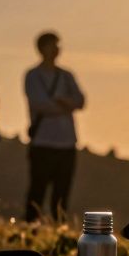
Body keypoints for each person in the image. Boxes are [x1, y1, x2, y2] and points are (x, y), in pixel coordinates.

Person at [22, 31, 85, 222]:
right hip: (42, 142)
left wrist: (61, 102)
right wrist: (66, 105)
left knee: (62, 190)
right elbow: (39, 104)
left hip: (67, 143)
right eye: (52, 45)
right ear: (42, 48)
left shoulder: (66, 75)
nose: (56, 49)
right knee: (38, 188)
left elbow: (81, 101)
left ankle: (59, 224)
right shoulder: (33, 76)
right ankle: (31, 224)